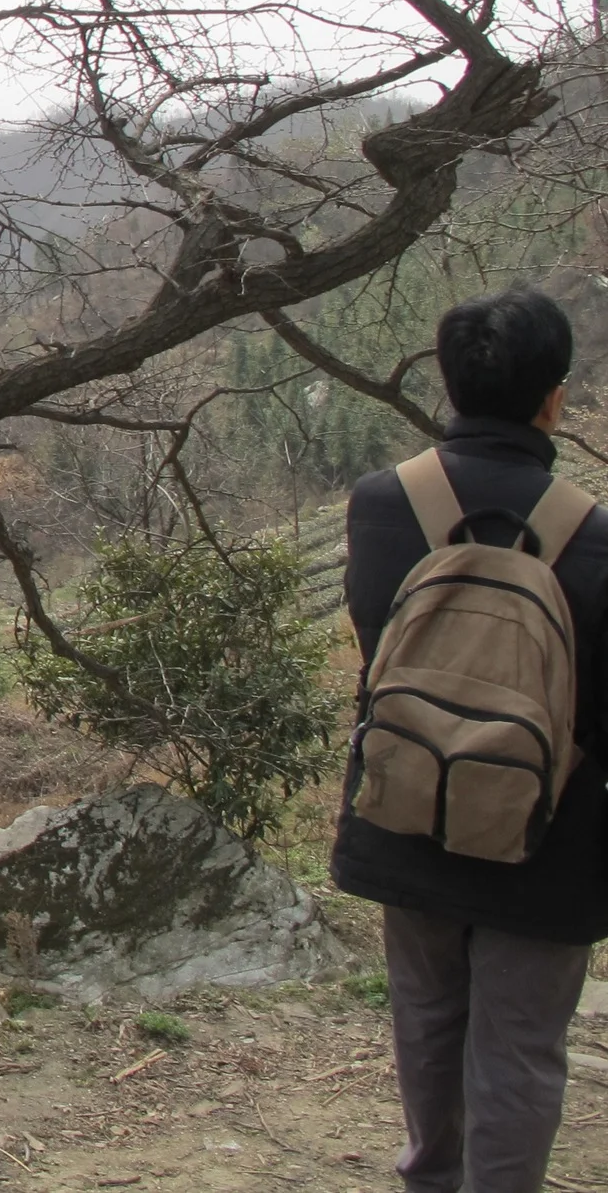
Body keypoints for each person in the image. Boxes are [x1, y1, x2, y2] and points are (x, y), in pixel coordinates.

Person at [332, 285, 608, 1193]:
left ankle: (429, 1179)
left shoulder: (382, 503)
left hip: (409, 808)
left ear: (449, 384)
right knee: (520, 1052)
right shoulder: (596, 535)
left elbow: (380, 640)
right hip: (550, 834)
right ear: (553, 397)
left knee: (426, 1019)